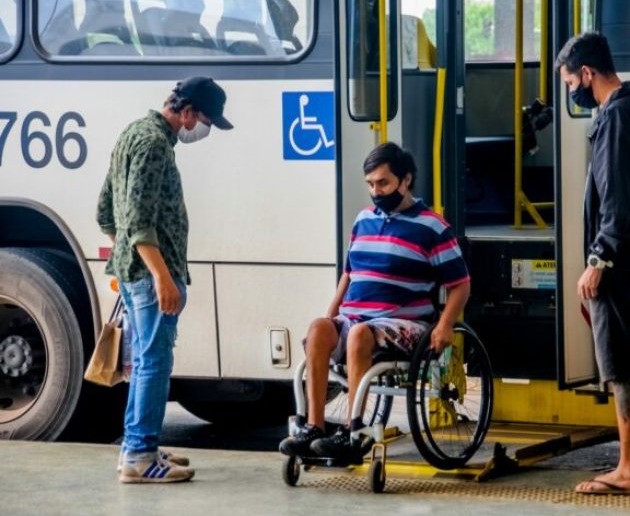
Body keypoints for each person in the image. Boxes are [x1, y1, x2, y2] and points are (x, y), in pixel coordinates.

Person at [280, 143, 471, 460]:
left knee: (358, 335)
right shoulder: (363, 219)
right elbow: (349, 274)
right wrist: (330, 318)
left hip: (403, 324)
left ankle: (353, 431)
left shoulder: (433, 227)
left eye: (383, 183)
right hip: (357, 320)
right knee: (318, 329)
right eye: (370, 184)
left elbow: (461, 284)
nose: (376, 191)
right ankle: (314, 426)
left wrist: (445, 325)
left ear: (405, 180)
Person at [96, 76, 233, 483]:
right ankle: (140, 456)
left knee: (143, 363)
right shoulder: (154, 145)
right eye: (203, 120)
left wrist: (127, 258)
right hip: (152, 275)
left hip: (136, 272)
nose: (200, 129)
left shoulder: (132, 133)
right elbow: (137, 221)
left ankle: (139, 448)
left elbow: (106, 211)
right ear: (186, 111)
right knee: (154, 364)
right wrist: (159, 275)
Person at [555, 33, 630, 496]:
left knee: (621, 363)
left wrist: (598, 258)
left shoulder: (614, 117)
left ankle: (627, 470)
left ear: (587, 74)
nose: (572, 92)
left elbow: (617, 194)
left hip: (619, 257)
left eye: (571, 83)